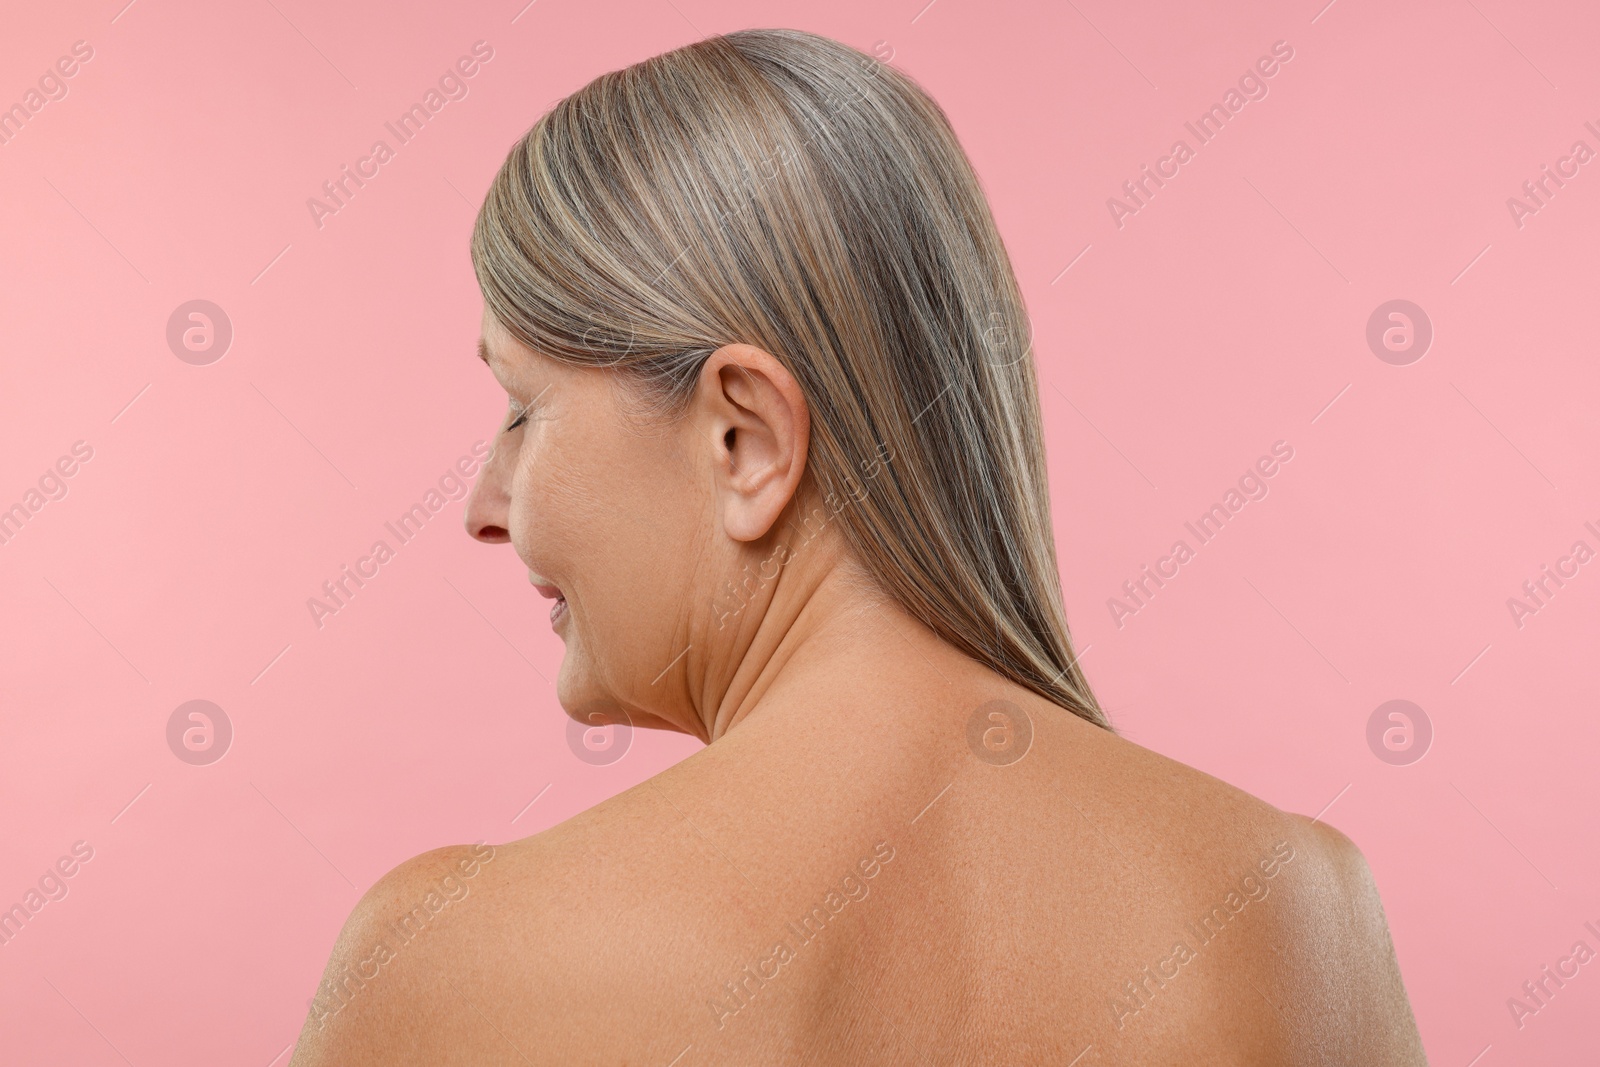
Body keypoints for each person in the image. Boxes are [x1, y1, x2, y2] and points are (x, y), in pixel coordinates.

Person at [289, 28, 1428, 1065]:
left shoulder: (453, 960)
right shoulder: (1299, 913)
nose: (485, 504)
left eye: (523, 408)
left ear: (746, 437)